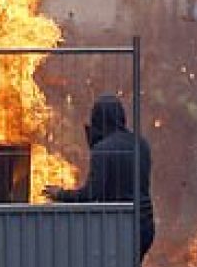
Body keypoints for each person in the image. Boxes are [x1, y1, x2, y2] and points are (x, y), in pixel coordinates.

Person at [44, 94, 156, 257]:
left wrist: (60, 194)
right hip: (145, 226)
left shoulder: (103, 149)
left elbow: (92, 193)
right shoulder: (141, 144)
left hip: (118, 227)